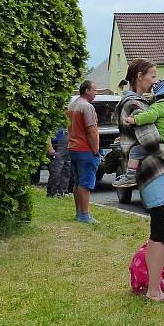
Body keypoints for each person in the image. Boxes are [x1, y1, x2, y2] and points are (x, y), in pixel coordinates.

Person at [116, 58, 164, 303]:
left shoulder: (145, 104)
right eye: (153, 76)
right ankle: (154, 290)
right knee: (162, 233)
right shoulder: (132, 104)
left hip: (158, 172)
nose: (155, 81)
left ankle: (154, 283)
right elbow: (150, 141)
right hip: (152, 172)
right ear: (139, 76)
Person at [115, 79, 164, 187]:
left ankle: (130, 176)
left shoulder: (158, 106)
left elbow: (148, 117)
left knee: (135, 151)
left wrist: (134, 120)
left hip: (161, 142)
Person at [67, 80, 100, 223]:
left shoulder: (72, 104)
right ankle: (84, 215)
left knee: (77, 182)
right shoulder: (87, 107)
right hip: (85, 149)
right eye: (94, 91)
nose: (95, 94)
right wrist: (96, 150)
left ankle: (78, 212)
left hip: (73, 147)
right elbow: (91, 130)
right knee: (85, 183)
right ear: (87, 90)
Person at [46, 126, 71, 197]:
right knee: (55, 173)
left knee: (66, 171)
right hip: (56, 148)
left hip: (66, 149)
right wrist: (50, 148)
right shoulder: (54, 119)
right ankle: (52, 193)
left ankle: (62, 192)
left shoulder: (66, 121)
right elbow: (47, 135)